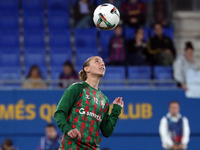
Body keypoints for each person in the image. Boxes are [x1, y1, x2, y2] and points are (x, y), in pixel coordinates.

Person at [54, 56, 124, 149]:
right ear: (87, 69)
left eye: (103, 62)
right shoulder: (77, 88)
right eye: (97, 61)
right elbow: (59, 113)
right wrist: (68, 129)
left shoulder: (104, 99)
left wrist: (116, 111)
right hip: (71, 147)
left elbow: (106, 132)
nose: (102, 64)